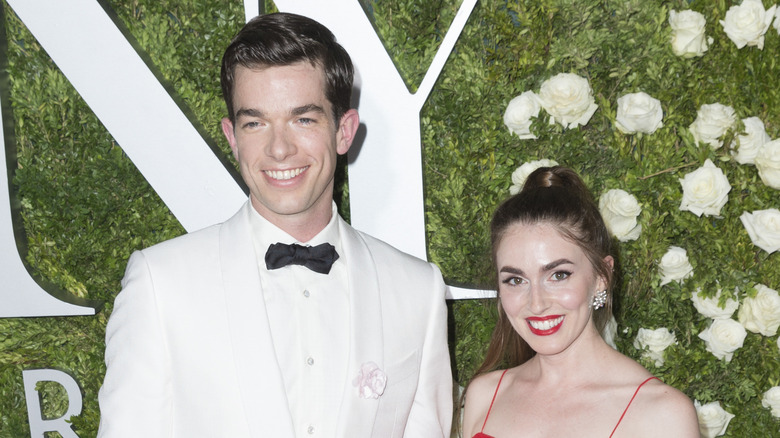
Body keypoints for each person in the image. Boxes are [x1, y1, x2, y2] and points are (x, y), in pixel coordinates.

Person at [98, 12, 452, 438]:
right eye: (255, 122)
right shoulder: (160, 284)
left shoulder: (418, 291)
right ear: (232, 136)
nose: (279, 148)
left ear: (344, 131)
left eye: (303, 119)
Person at [461, 166, 699, 437]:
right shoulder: (485, 396)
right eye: (516, 280)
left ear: (601, 276)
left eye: (558, 275)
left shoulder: (661, 414)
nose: (536, 304)